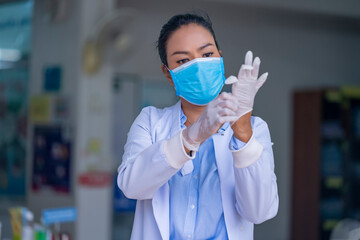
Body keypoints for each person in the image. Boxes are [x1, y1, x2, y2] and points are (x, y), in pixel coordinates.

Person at [117, 12, 279, 240]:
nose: (198, 66)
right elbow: (131, 186)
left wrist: (242, 133)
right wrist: (190, 138)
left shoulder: (254, 129)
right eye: (183, 60)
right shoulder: (151, 122)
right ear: (168, 74)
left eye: (207, 54)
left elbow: (259, 212)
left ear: (220, 59)